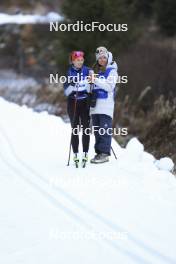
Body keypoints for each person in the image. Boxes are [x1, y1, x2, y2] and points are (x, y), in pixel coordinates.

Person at [90, 47, 118, 164]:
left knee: (104, 130)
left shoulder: (112, 71)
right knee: (97, 131)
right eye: (99, 58)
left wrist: (94, 79)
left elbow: (109, 86)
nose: (102, 60)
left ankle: (105, 153)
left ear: (108, 57)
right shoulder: (98, 71)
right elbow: (93, 87)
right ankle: (99, 153)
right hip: (95, 107)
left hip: (106, 107)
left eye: (104, 57)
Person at [64, 51, 90, 166]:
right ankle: (75, 153)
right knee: (75, 129)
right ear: (73, 61)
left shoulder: (88, 70)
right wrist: (73, 85)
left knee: (85, 129)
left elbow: (91, 86)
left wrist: (88, 83)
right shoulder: (69, 73)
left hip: (84, 102)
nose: (80, 62)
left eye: (81, 60)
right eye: (78, 60)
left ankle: (85, 153)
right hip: (73, 102)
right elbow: (66, 92)